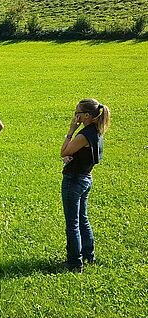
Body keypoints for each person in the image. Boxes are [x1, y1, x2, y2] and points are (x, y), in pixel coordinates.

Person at [60, 98, 110, 273]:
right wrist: (72, 157)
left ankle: (75, 263)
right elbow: (85, 155)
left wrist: (70, 131)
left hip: (74, 180)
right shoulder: (96, 131)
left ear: (87, 115)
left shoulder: (82, 135)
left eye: (77, 113)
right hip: (86, 178)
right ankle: (89, 254)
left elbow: (63, 151)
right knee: (83, 218)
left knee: (72, 223)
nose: (75, 116)